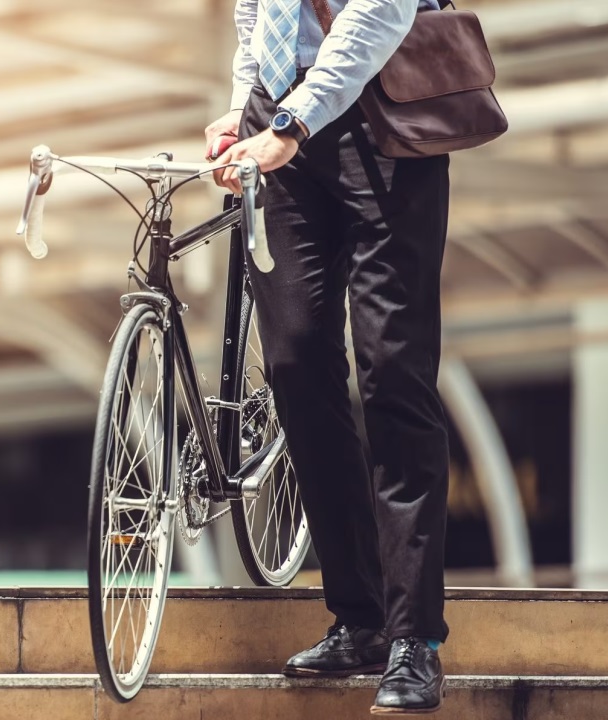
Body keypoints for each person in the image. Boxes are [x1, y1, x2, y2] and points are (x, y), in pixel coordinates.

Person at [205, 0, 449, 714]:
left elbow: (378, 14)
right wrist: (243, 108)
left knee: (393, 373)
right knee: (295, 363)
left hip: (386, 120)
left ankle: (415, 640)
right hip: (281, 125)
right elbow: (259, 16)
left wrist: (291, 121)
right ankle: (361, 617)